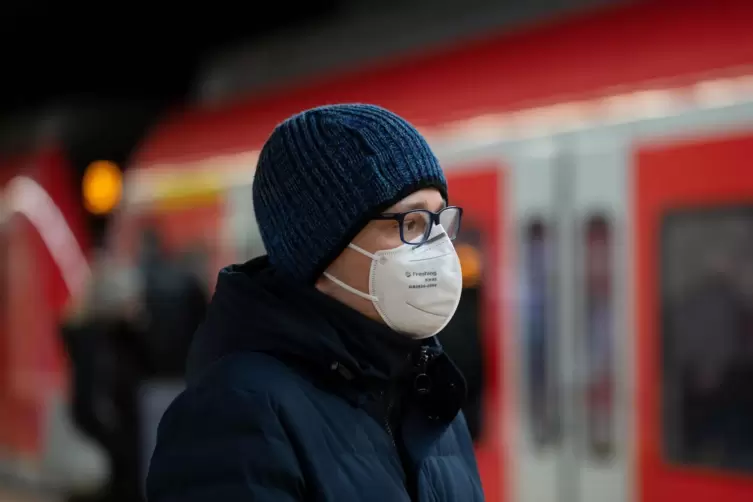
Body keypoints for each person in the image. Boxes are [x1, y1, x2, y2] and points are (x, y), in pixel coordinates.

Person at [146, 104, 484, 501]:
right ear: (324, 250)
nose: (439, 246)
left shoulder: (430, 401)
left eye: (439, 221)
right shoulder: (235, 413)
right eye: (411, 224)